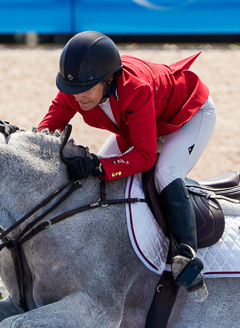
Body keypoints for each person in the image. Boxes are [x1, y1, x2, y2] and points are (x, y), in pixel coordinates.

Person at [37, 31, 216, 301]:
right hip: (140, 121)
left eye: (84, 90)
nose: (77, 98)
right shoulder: (74, 90)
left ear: (108, 79)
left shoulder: (136, 88)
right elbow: (46, 132)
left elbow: (145, 156)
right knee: (100, 179)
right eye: (71, 90)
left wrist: (97, 165)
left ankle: (187, 256)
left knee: (165, 173)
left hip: (188, 115)